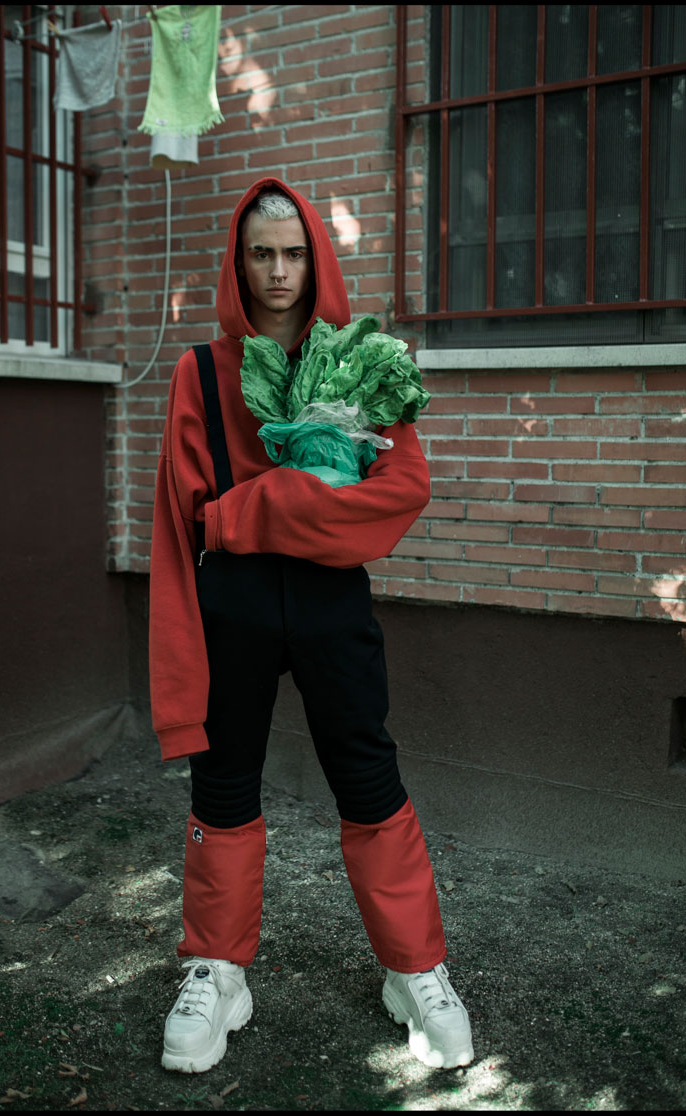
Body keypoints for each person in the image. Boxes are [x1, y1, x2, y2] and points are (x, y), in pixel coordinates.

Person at [149, 176, 475, 1075]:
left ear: (316, 259)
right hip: (234, 607)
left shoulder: (365, 362)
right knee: (223, 786)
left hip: (332, 603)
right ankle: (217, 972)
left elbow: (396, 496)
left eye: (294, 252)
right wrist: (280, 516)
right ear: (238, 262)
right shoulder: (198, 374)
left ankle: (414, 970)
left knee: (369, 779)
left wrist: (245, 512)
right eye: (261, 253)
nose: (278, 271)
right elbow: (177, 527)